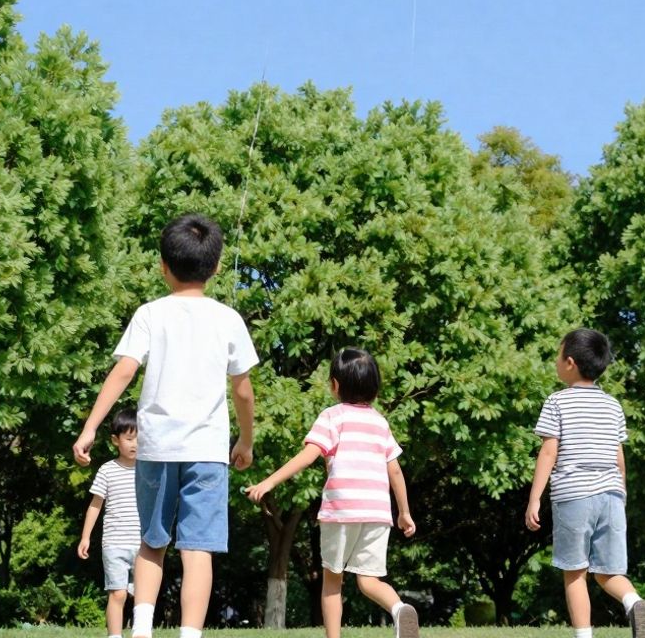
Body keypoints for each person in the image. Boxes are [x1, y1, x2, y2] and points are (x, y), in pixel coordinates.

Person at [73, 213, 259, 638]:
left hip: (156, 448)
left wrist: (89, 428)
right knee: (198, 549)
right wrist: (245, 441)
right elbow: (243, 391)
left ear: (163, 265)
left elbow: (123, 372)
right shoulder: (228, 318)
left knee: (152, 541)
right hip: (208, 452)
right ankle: (189, 635)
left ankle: (141, 630)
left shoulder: (150, 313)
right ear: (215, 267)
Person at [246, 347, 419, 638]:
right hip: (377, 513)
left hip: (342, 511)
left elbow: (309, 455)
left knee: (332, 581)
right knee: (369, 580)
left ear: (335, 385)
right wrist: (404, 512)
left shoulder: (332, 416)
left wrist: (269, 482)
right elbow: (395, 471)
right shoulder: (380, 422)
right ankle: (399, 609)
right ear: (374, 387)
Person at [525, 328, 645, 638]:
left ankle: (584, 636)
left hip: (574, 495)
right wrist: (620, 494)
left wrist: (534, 499)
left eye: (558, 356)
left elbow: (548, 451)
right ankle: (634, 601)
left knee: (575, 572)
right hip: (611, 495)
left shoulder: (557, 401)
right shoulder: (613, 406)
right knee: (608, 572)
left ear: (569, 362)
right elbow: (618, 456)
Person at [78, 407, 142, 638]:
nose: (135, 444)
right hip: (114, 544)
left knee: (144, 597)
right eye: (130, 438)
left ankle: (141, 633)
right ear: (116, 440)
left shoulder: (150, 471)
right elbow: (95, 505)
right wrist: (85, 537)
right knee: (118, 594)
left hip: (144, 546)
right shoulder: (107, 470)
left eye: (140, 439)